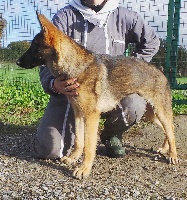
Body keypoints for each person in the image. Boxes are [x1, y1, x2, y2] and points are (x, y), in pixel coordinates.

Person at [31, 0, 160, 159]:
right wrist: (54, 84)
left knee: (134, 105)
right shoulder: (64, 17)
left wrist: (132, 67)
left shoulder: (126, 16)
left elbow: (151, 43)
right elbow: (44, 57)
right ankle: (76, 141)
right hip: (70, 95)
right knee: (50, 150)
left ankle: (111, 134)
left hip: (112, 92)